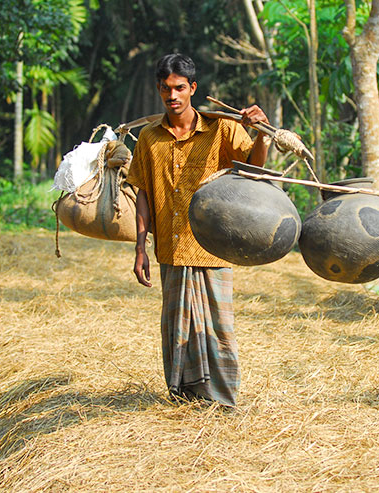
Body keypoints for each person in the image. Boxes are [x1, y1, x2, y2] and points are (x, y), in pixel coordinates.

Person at [126, 53, 270, 407]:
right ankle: (184, 397)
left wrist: (262, 132)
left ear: (193, 88)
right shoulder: (148, 138)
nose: (172, 96)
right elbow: (142, 191)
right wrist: (140, 247)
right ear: (159, 90)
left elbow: (254, 169)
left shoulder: (222, 128)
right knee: (177, 329)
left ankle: (222, 400)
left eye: (178, 88)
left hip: (212, 246)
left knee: (218, 328)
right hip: (171, 249)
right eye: (165, 89)